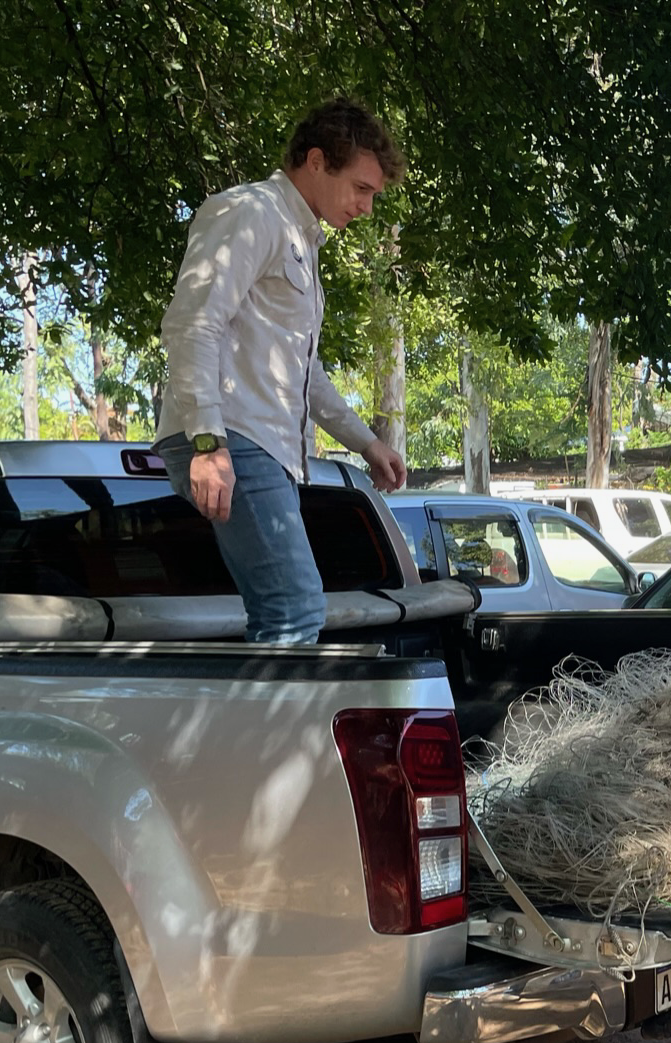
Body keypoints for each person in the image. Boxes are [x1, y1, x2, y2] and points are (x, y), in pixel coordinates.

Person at [155, 98, 410, 644]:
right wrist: (207, 443)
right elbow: (191, 324)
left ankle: (252, 728)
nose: (367, 207)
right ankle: (274, 733)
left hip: (257, 445)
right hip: (231, 436)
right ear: (316, 161)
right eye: (361, 189)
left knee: (286, 612)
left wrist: (366, 443)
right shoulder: (251, 212)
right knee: (293, 611)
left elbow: (302, 372)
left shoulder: (299, 236)